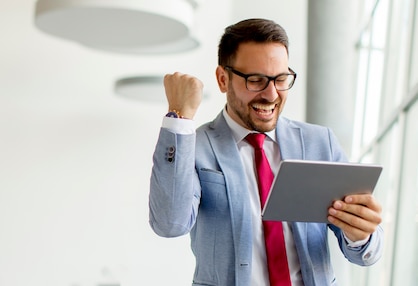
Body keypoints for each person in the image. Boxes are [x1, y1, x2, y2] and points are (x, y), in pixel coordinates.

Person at [148, 18, 383, 286]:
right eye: (256, 80)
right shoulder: (195, 145)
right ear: (223, 79)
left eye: (281, 79)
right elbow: (169, 224)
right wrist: (180, 118)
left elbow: (365, 253)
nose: (271, 95)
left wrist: (361, 233)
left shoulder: (320, 143)